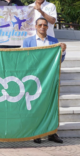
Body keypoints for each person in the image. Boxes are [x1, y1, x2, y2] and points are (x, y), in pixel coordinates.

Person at [23, 17, 66, 145]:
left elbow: (59, 60)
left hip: (49, 78)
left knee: (51, 105)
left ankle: (52, 133)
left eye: (45, 25)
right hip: (33, 79)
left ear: (48, 27)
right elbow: (24, 59)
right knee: (35, 105)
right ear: (35, 26)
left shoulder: (53, 41)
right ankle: (37, 133)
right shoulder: (28, 42)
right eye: (40, 25)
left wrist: (63, 52)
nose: (42, 27)